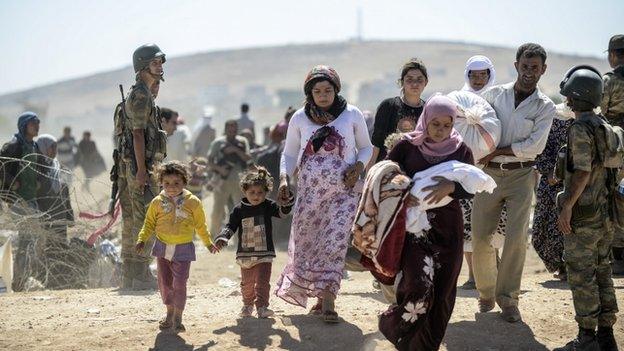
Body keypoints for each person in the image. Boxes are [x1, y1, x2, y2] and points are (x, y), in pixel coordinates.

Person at [276, 65, 373, 323]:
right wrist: (284, 178)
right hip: (310, 196)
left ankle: (329, 300)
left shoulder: (351, 114)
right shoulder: (299, 118)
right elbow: (288, 153)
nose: (323, 95)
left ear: (336, 90)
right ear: (309, 93)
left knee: (334, 242)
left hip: (344, 193)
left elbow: (366, 147)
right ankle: (319, 298)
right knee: (310, 245)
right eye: (317, 91)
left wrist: (359, 166)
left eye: (328, 90)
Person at [378, 95, 475, 350]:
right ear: (426, 120)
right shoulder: (406, 147)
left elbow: (472, 186)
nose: (441, 131)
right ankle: (396, 328)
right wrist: (403, 189)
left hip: (448, 230)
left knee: (442, 293)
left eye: (447, 125)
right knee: (418, 286)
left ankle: (426, 346)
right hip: (414, 231)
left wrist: (451, 186)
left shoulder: (462, 150)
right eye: (435, 124)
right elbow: (385, 176)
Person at [472, 43, 555, 322]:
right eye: (525, 66)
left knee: (516, 239)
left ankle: (508, 299)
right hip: (489, 174)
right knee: (481, 236)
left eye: (535, 67)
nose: (529, 72)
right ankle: (486, 293)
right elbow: (479, 128)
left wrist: (500, 150)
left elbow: (535, 146)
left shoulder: (545, 107)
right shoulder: (494, 95)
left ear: (543, 70)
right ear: (516, 65)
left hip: (522, 175)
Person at [554, 65, 619, 351]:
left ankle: (587, 337)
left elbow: (580, 173)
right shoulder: (604, 125)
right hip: (605, 215)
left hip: (584, 216)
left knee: (582, 275)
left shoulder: (580, 128)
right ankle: (606, 336)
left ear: (571, 97)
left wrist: (567, 206)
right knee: (603, 271)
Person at [135, 161, 219, 333]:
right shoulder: (157, 202)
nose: (171, 187)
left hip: (183, 249)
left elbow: (200, 225)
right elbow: (149, 223)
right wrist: (142, 239)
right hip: (162, 248)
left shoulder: (193, 202)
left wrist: (208, 243)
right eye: (166, 183)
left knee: (180, 283)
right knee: (165, 284)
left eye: (176, 183)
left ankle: (178, 317)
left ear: (184, 182)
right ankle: (169, 312)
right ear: (160, 182)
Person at [119, 43, 168, 289]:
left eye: (160, 63)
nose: (159, 67)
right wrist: (141, 171)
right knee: (145, 219)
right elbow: (137, 134)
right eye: (154, 63)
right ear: (142, 66)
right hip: (142, 167)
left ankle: (132, 272)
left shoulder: (143, 93)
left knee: (136, 219)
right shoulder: (140, 95)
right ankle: (139, 273)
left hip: (143, 166)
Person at [214, 166, 293, 318]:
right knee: (247, 284)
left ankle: (262, 307)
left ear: (266, 192)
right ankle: (247, 305)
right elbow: (230, 226)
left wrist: (287, 200)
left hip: (264, 254)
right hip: (245, 255)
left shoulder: (268, 206)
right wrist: (223, 238)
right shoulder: (238, 210)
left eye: (260, 193)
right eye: (252, 192)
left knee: (263, 282)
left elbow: (282, 213)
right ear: (244, 191)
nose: (256, 196)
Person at [456, 55, 506, 290]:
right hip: (466, 173)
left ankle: (492, 270)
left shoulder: (499, 100)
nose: (477, 80)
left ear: (489, 75)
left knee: (493, 222)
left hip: (493, 170)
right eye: (473, 75)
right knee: (467, 223)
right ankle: (473, 275)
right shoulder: (458, 100)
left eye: (482, 75)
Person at [0, 112, 43, 291]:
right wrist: (12, 182)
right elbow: (2, 167)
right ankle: (17, 281)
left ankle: (21, 278)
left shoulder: (33, 146)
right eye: (34, 123)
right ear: (24, 125)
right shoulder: (13, 146)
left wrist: (40, 180)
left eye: (38, 122)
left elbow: (42, 166)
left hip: (31, 198)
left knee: (31, 239)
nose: (37, 126)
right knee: (26, 238)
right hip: (17, 200)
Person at [531, 114, 573, 279]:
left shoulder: (591, 122)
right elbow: (540, 149)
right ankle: (560, 266)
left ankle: (572, 267)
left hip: (579, 183)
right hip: (550, 184)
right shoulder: (550, 120)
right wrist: (551, 172)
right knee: (543, 229)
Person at [35, 134, 76, 289]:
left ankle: (60, 280)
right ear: (43, 148)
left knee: (61, 247)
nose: (54, 150)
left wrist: (69, 215)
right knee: (48, 249)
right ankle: (48, 280)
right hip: (46, 216)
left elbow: (65, 193)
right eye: (51, 147)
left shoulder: (57, 167)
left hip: (59, 216)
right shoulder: (38, 168)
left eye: (55, 147)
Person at [370, 58, 428, 165]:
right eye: (409, 79)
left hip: (417, 171)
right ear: (402, 82)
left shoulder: (428, 110)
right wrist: (369, 175)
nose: (415, 84)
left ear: (426, 82)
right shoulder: (388, 106)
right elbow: (376, 144)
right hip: (388, 169)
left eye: (419, 79)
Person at [602, 34, 624, 275]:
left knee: (616, 198)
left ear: (613, 55)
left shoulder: (609, 81)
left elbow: (601, 115)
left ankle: (618, 256)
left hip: (616, 148)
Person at [207, 120, 251, 235]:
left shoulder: (242, 141)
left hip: (239, 180)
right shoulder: (218, 143)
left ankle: (239, 239)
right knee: (218, 210)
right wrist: (220, 169)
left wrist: (235, 150)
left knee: (240, 210)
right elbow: (210, 162)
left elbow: (247, 158)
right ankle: (214, 237)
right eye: (230, 129)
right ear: (226, 129)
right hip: (222, 181)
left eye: (234, 129)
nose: (232, 131)